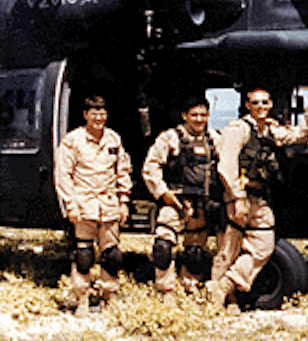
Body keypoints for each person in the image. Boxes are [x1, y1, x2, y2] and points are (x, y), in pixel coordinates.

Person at [206, 87, 308, 311]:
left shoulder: (270, 129)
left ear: (270, 105)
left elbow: (299, 135)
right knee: (228, 250)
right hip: (238, 197)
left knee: (263, 247)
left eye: (264, 102)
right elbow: (226, 166)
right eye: (255, 103)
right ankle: (225, 301)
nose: (260, 107)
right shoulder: (238, 129)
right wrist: (237, 198)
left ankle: (224, 286)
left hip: (260, 199)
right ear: (248, 106)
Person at [54, 96, 132, 317]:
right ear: (86, 115)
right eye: (94, 113)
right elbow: (63, 175)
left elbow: (122, 172)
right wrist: (70, 204)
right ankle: (82, 300)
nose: (99, 118)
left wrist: (124, 201)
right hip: (83, 205)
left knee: (112, 255)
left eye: (102, 113)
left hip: (109, 206)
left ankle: (109, 299)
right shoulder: (73, 141)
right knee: (83, 255)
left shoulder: (113, 139)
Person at [142, 96, 223, 300]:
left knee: (195, 252)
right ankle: (166, 290)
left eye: (203, 115)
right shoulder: (171, 138)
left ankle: (190, 287)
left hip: (201, 204)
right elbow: (151, 167)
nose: (199, 119)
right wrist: (163, 192)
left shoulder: (214, 139)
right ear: (185, 116)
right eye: (194, 114)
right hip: (176, 202)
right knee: (163, 247)